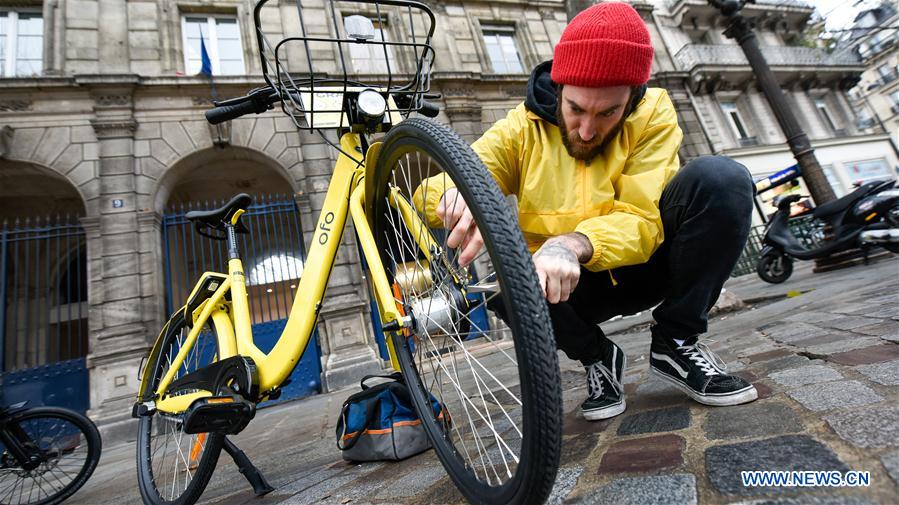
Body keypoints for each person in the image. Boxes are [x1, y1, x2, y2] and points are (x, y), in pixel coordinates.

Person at [417, 1, 758, 420]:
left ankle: (677, 341)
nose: (587, 129)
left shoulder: (654, 113)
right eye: (575, 108)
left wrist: (571, 243)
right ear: (558, 89)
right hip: (568, 292)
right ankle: (597, 357)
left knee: (722, 178)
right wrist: (452, 194)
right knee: (505, 287)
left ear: (631, 100)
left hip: (647, 266)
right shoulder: (520, 127)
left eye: (608, 112)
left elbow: (639, 218)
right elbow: (436, 186)